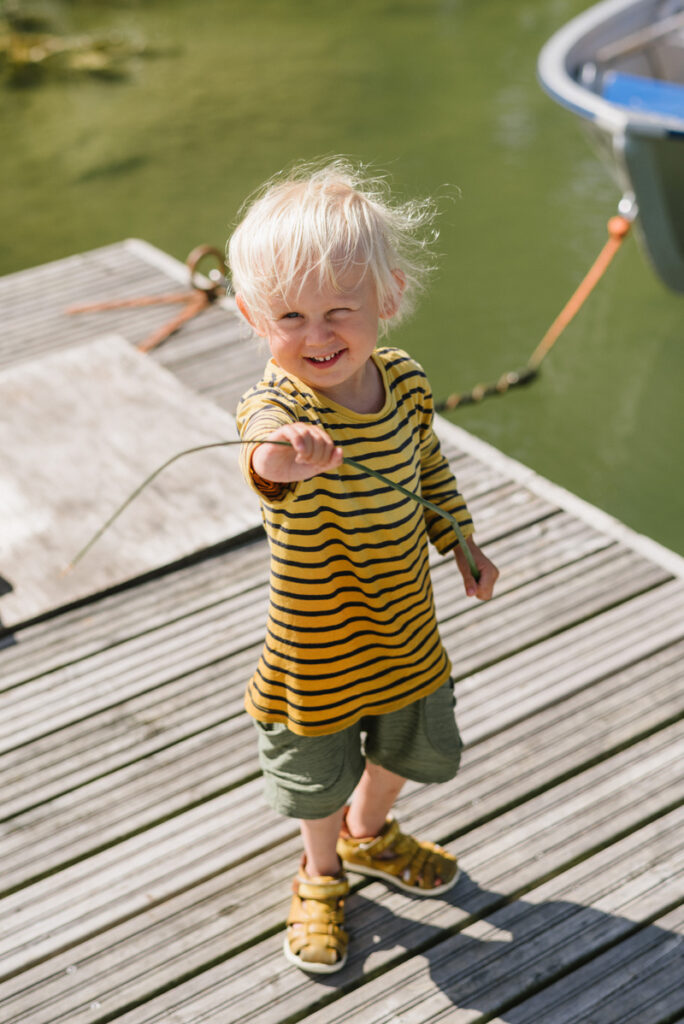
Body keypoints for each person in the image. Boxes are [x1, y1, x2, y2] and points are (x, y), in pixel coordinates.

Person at [229, 159, 499, 974]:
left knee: (411, 743)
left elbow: (430, 470)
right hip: (317, 648)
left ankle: (370, 834)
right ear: (252, 317)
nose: (317, 336)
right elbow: (262, 459)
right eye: (290, 316)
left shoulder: (406, 382)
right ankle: (320, 871)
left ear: (388, 298)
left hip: (406, 627)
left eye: (339, 311)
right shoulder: (277, 408)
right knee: (315, 771)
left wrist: (462, 541)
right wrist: (287, 454)